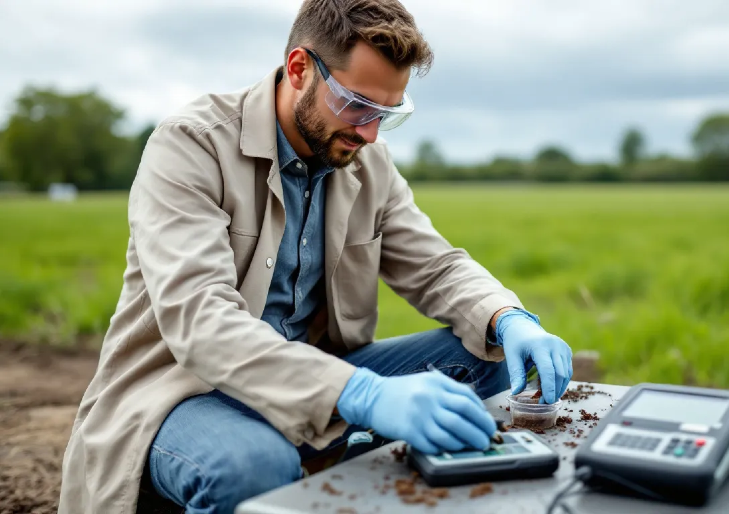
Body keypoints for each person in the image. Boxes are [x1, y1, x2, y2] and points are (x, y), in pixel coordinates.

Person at [58, 1, 574, 512]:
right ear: (300, 68)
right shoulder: (191, 145)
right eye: (358, 105)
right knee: (253, 466)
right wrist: (363, 395)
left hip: (311, 382)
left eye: (387, 114)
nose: (370, 133)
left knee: (484, 352)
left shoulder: (365, 158)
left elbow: (434, 265)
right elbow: (200, 320)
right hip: (185, 393)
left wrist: (507, 317)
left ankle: (330, 476)